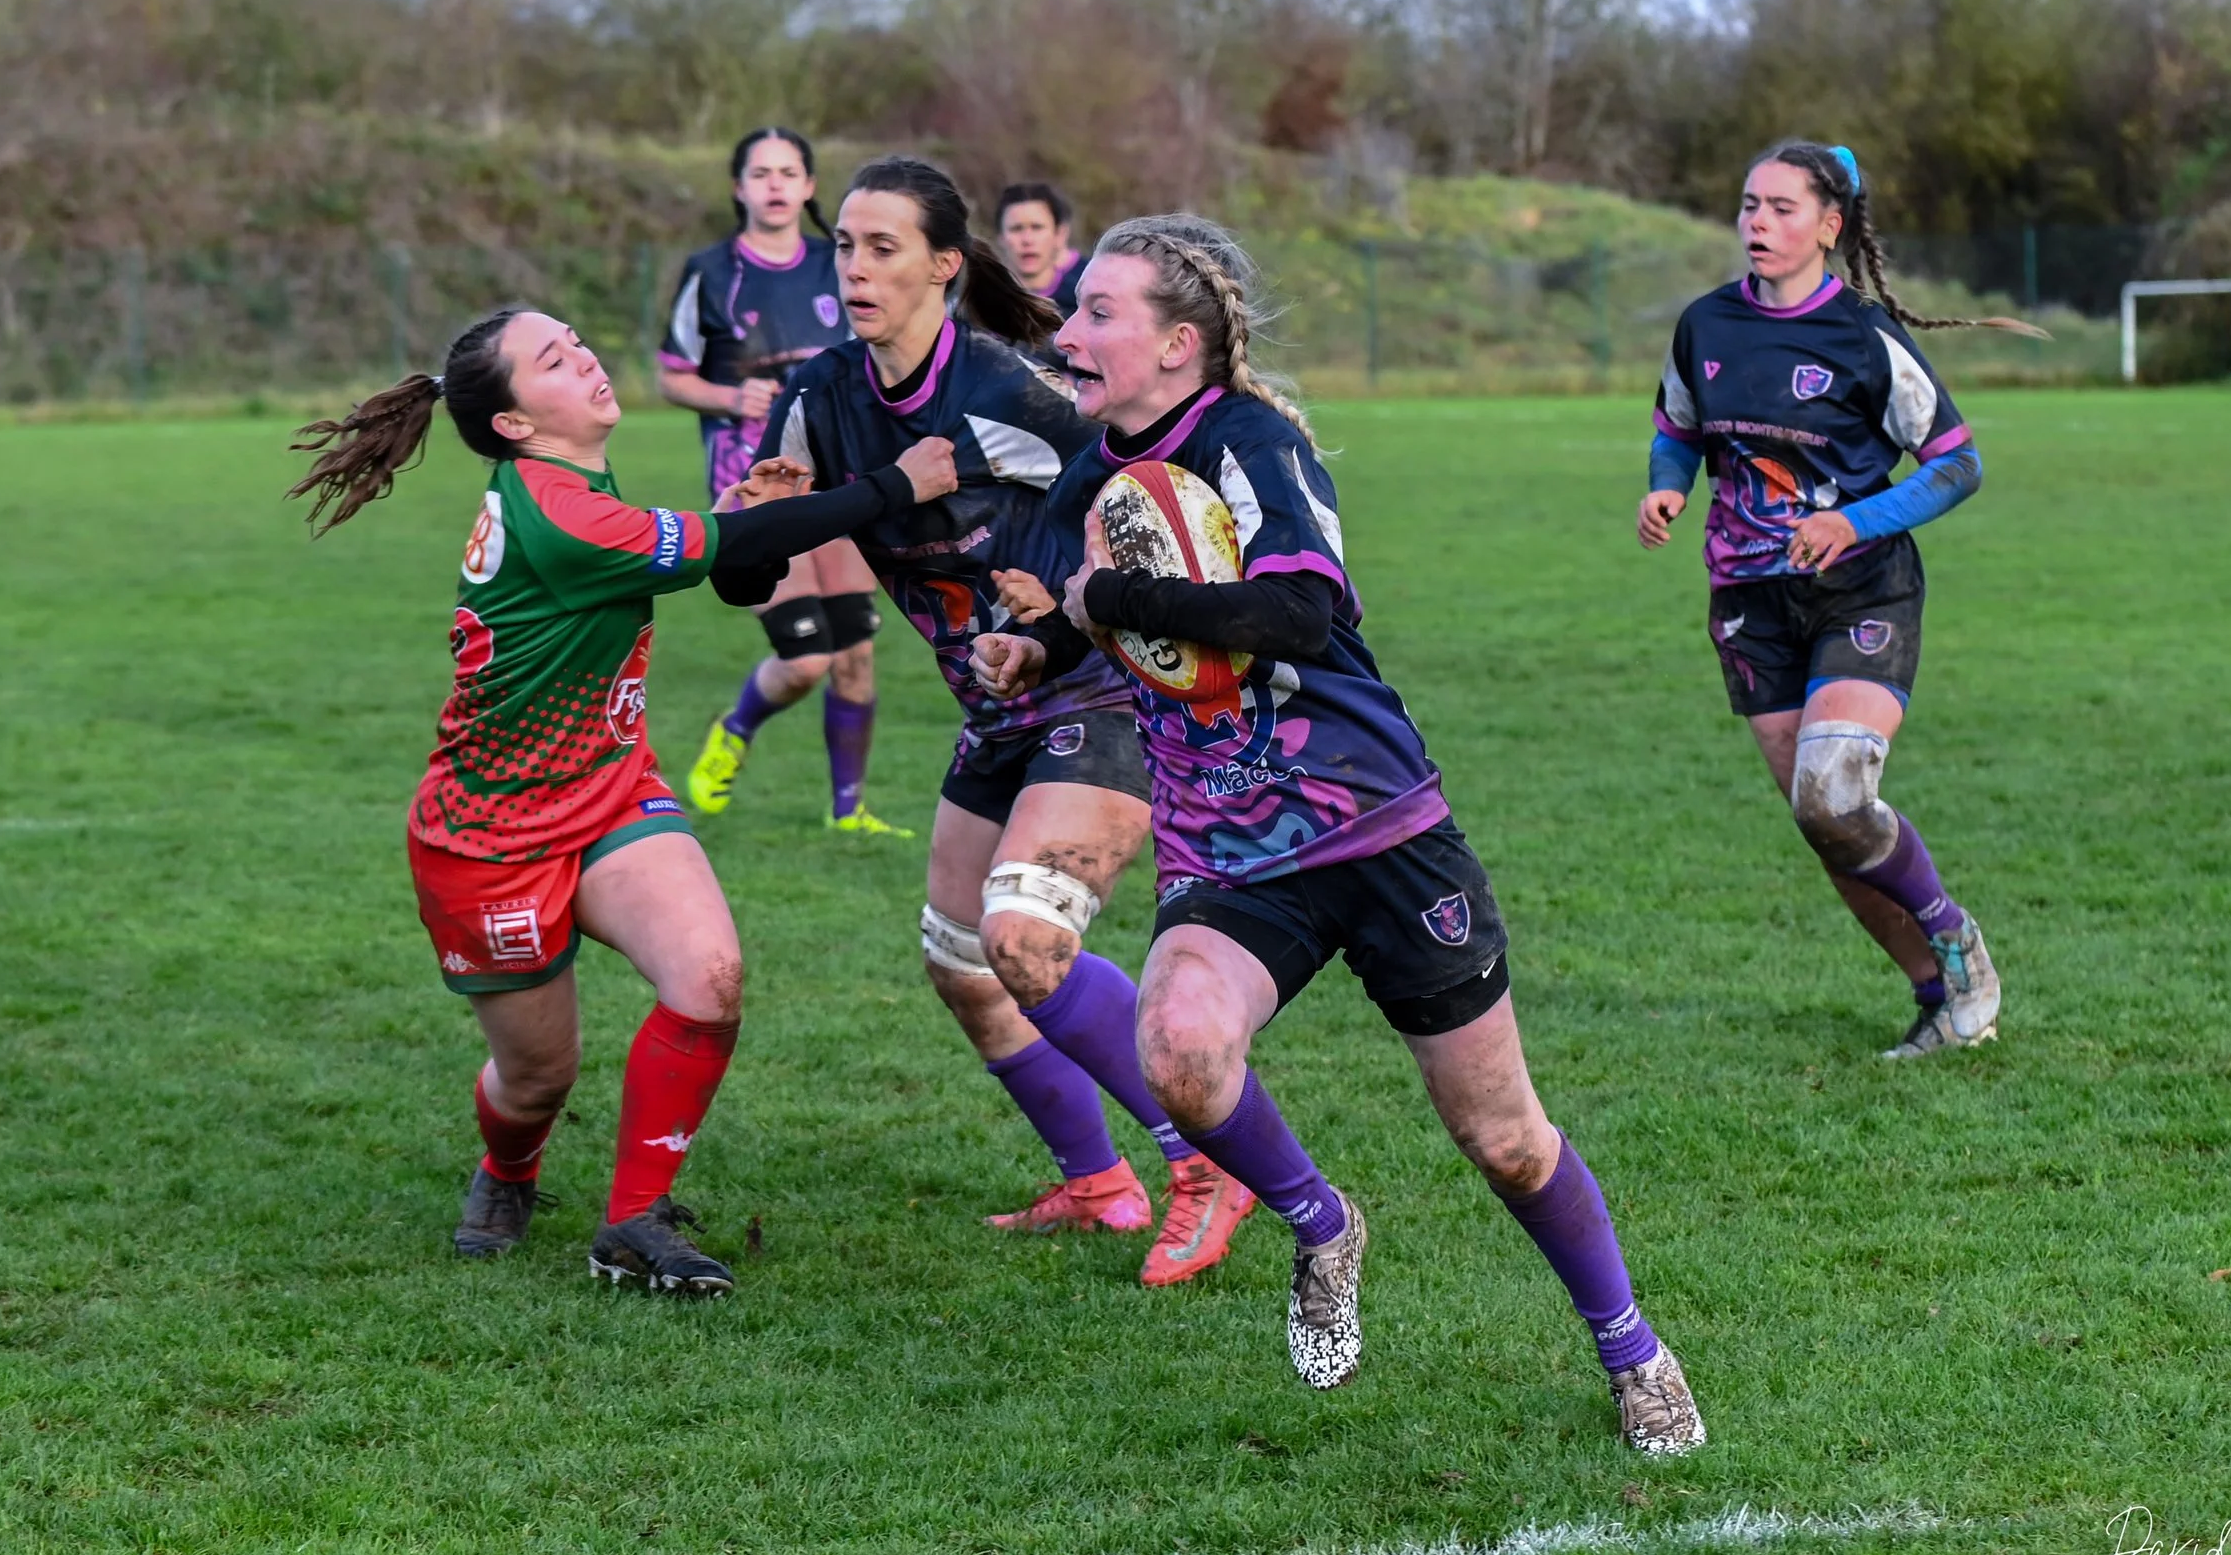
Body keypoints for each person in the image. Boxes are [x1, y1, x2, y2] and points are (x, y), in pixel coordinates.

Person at [972, 215, 1705, 1454]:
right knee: (1181, 1049)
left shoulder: (1253, 442)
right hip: (1230, 848)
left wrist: (1106, 599)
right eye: (1073, 308)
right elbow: (1123, 628)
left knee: (1504, 1138)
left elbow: (1299, 614)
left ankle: (1631, 1345)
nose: (1071, 331)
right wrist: (1036, 643)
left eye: (1100, 311)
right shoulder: (1089, 482)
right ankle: (1322, 1225)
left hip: (1376, 829)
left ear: (1180, 343)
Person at [286, 304, 959, 1293]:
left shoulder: (569, 483)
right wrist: (894, 486)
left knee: (710, 974)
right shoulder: (557, 511)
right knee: (537, 1078)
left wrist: (750, 521)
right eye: (554, 359)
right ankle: (508, 1167)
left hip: (605, 790)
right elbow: (726, 550)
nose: (586, 357)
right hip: (491, 836)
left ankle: (632, 1218)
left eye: (576, 340)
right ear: (515, 421)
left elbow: (731, 570)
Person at [762, 157, 1255, 1287]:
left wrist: (1067, 603)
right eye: (843, 243)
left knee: (1024, 938)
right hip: (995, 713)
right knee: (959, 960)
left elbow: (1149, 505)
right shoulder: (819, 398)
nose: (854, 266)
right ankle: (1099, 1180)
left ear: (944, 264)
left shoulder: (1013, 390)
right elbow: (749, 579)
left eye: (882, 246)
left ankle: (1205, 1157)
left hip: (1100, 695)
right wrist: (762, 521)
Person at [1640, 141, 2031, 1058]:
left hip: (1861, 588)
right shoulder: (1705, 326)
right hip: (1747, 600)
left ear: (1831, 224)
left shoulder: (1865, 339)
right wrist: (1667, 484)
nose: (1757, 224)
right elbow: (1678, 429)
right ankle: (1944, 994)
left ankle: (1957, 944)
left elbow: (1957, 465)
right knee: (1831, 829)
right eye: (1747, 206)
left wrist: (1856, 521)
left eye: (1780, 208)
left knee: (1834, 792)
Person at [660, 127, 909, 839]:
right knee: (805, 658)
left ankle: (848, 814)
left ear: (808, 188)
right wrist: (731, 399)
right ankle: (734, 731)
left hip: (836, 477)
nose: (774, 184)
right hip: (755, 484)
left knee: (856, 653)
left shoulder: (841, 265)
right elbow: (671, 377)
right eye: (760, 172)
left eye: (789, 172)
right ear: (738, 187)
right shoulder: (711, 271)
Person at [998, 181, 1084, 317]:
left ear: (1059, 234)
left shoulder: (1081, 304)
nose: (1027, 239)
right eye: (1016, 229)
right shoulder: (980, 306)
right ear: (1001, 237)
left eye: (1037, 227)